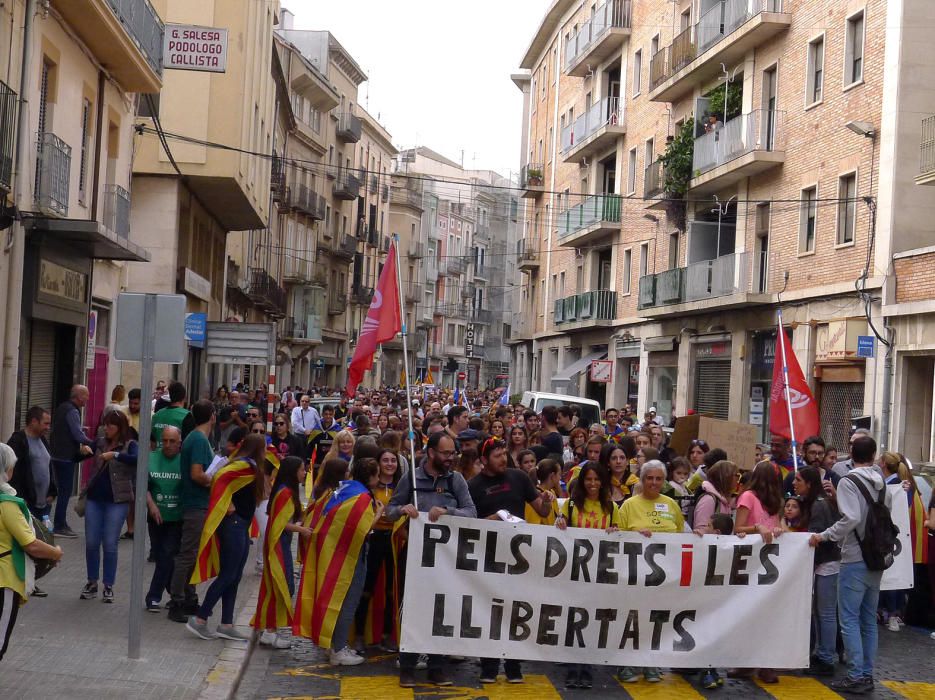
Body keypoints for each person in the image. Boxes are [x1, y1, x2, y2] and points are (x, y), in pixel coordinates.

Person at [386, 432, 476, 688]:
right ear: (431, 452)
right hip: (415, 555)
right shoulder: (411, 478)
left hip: (446, 560)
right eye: (446, 453)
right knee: (413, 610)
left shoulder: (456, 480)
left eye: (453, 453)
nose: (451, 458)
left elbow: (471, 511)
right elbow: (390, 510)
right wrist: (402, 510)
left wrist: (448, 511)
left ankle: (437, 666)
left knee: (441, 610)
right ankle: (408, 666)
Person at [469, 438, 552, 685]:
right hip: (488, 557)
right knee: (489, 611)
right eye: (497, 456)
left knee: (517, 612)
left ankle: (514, 665)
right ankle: (489, 664)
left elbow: (542, 511)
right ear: (484, 460)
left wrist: (546, 501)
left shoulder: (519, 478)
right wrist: (491, 519)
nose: (503, 459)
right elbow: (467, 523)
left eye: (504, 454)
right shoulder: (473, 485)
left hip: (518, 558)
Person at [810, 435, 889, 694]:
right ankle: (866, 673)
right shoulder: (882, 483)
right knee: (867, 619)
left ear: (851, 454)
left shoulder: (848, 481)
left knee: (850, 619)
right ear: (874, 455)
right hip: (876, 557)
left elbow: (851, 517)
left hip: (855, 555)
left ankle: (856, 675)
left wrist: (825, 535)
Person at [186, 434, 265, 641]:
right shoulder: (244, 466)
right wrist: (226, 503)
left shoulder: (247, 466)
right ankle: (201, 618)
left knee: (235, 576)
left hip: (240, 525)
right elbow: (219, 478)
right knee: (229, 574)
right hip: (234, 525)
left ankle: (226, 624)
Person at [617, 460, 686, 684]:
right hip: (635, 574)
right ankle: (627, 663)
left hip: (663, 577)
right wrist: (636, 534)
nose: (654, 482)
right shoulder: (629, 505)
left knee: (657, 619)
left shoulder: (671, 505)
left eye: (658, 478)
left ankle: (650, 663)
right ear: (642, 479)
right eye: (649, 478)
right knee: (633, 618)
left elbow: (680, 535)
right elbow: (618, 536)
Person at [555, 462, 621, 689]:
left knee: (592, 619)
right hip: (575, 571)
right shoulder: (571, 505)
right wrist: (560, 522)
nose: (592, 484)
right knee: (574, 618)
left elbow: (622, 538)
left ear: (603, 482)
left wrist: (615, 532)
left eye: (597, 479)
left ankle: (587, 666)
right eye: (588, 479)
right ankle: (573, 666)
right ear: (582, 481)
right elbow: (558, 526)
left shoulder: (612, 507)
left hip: (600, 572)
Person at [0, 442, 63, 662]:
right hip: (4, 580)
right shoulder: (6, 504)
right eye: (11, 467)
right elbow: (31, 544)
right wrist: (55, 553)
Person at [80, 411, 138, 603]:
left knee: (110, 543)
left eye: (111, 426)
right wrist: (83, 450)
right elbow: (82, 452)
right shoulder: (100, 442)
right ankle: (92, 582)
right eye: (105, 425)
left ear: (120, 428)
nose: (106, 429)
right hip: (95, 498)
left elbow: (137, 460)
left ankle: (108, 585)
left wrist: (115, 455)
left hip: (117, 501)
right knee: (91, 542)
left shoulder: (130, 445)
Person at [255, 456, 311, 649]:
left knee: (279, 587)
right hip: (278, 546)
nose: (305, 473)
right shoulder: (286, 493)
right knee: (282, 587)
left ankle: (271, 630)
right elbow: (280, 524)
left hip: (279, 544)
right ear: (293, 472)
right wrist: (301, 530)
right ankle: (271, 631)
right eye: (302, 470)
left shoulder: (282, 491)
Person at [168, 400, 216, 623]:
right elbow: (197, 474)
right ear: (212, 417)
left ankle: (189, 597)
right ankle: (177, 600)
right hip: (196, 504)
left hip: (197, 504)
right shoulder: (198, 440)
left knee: (193, 554)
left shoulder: (197, 438)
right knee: (188, 554)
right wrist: (213, 480)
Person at [793, 466, 841, 677]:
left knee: (826, 613)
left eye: (798, 480)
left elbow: (818, 539)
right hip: (824, 563)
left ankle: (826, 657)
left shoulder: (819, 506)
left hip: (827, 564)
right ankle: (823, 652)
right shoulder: (818, 504)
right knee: (822, 612)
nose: (794, 483)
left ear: (809, 484)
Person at [353, 448, 402, 651]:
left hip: (395, 539)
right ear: (378, 464)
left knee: (392, 590)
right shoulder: (369, 487)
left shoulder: (402, 486)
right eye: (386, 460)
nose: (390, 464)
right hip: (372, 540)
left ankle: (387, 635)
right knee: (366, 588)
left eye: (393, 460)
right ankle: (358, 635)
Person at [145, 426, 183, 612]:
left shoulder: (185, 461)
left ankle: (153, 597)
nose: (167, 445)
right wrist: (151, 505)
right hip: (156, 517)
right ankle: (175, 594)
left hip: (176, 518)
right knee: (162, 556)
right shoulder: (151, 458)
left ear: (179, 443)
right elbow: (143, 486)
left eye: (172, 441)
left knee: (167, 555)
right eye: (165, 441)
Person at [49, 385, 96, 537]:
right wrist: (94, 443)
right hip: (65, 457)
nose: (87, 399)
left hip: (56, 454)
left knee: (59, 491)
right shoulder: (72, 410)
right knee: (65, 492)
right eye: (86, 396)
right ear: (79, 396)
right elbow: (77, 435)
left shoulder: (63, 407)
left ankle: (58, 523)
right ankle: (59, 525)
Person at [8, 407, 56, 533]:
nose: (48, 427)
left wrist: (51, 491)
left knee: (42, 539)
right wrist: (19, 497)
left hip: (44, 505)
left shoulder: (43, 440)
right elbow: (13, 472)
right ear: (34, 421)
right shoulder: (18, 441)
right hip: (26, 503)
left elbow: (48, 466)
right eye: (45, 423)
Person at [691, 460, 738, 531]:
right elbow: (700, 530)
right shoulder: (708, 500)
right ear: (726, 477)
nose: (738, 479)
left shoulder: (724, 501)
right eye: (736, 475)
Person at [151, 381, 195, 448]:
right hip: (177, 457)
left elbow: (152, 443)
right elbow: (188, 445)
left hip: (157, 456)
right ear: (184, 398)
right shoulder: (187, 416)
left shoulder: (157, 415)